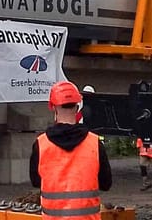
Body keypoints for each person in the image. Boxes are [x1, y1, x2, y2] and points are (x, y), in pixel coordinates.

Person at [30, 80, 111, 220]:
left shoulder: (41, 144)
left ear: (53, 107)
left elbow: (36, 182)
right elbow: (105, 184)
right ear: (77, 107)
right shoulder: (94, 143)